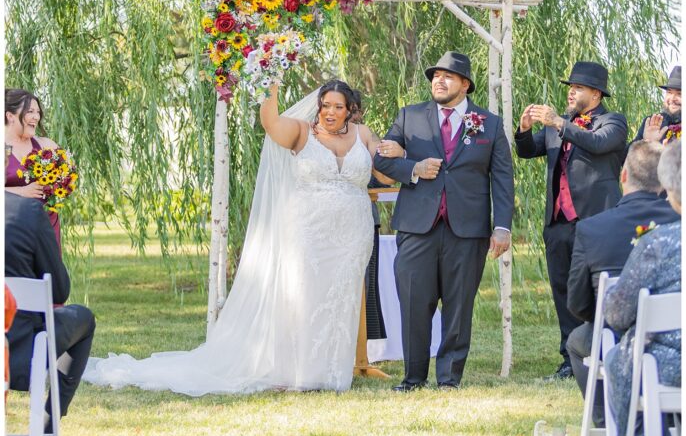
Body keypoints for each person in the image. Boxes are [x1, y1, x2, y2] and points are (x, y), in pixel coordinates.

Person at [84, 80, 394, 395]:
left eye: (337, 107)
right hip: (307, 231)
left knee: (339, 297)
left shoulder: (363, 134)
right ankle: (294, 372)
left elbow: (386, 170)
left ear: (349, 109)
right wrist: (269, 85)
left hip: (352, 235)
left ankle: (330, 372)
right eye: (325, 105)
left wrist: (399, 153)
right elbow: (270, 122)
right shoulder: (302, 132)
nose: (329, 112)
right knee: (303, 295)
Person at [374, 51, 514, 391]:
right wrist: (413, 169)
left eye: (448, 76)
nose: (439, 80)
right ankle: (413, 378)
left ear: (465, 84)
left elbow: (503, 178)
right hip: (416, 227)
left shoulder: (489, 124)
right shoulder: (409, 117)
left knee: (458, 305)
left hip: (467, 231)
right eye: (436, 75)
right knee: (413, 303)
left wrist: (502, 226)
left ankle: (449, 379)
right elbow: (383, 157)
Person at [514, 60, 627, 380]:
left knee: (597, 290)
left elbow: (598, 144)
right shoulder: (558, 124)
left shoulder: (613, 122)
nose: (571, 93)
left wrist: (560, 124)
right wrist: (524, 130)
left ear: (595, 93)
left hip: (595, 221)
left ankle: (607, 351)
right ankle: (569, 358)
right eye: (569, 88)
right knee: (563, 289)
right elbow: (527, 151)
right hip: (558, 222)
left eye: (577, 88)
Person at [566, 141, 680, 428]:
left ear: (624, 176)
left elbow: (579, 305)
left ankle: (608, 424)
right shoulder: (677, 223)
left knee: (577, 341)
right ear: (665, 182)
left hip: (615, 338)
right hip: (678, 340)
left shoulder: (592, 228)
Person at [603, 142, 681, 436]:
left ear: (671, 191)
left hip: (673, 366)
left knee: (619, 359)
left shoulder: (659, 243)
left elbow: (618, 314)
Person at [5, 190, 95, 435]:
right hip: (19, 355)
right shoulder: (27, 212)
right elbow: (58, 290)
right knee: (83, 318)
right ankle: (47, 430)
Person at [349, 89, 389, 380]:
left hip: (365, 220)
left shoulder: (366, 138)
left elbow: (384, 176)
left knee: (365, 286)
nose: (351, 115)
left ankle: (360, 356)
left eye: (354, 109)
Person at [5, 88, 65, 253]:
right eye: (30, 111)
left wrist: (61, 186)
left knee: (48, 275)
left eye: (37, 112)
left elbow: (68, 175)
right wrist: (22, 191)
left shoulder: (46, 145)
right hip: (12, 227)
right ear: (10, 116)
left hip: (46, 224)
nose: (36, 117)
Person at [630, 65, 681, 146]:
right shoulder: (652, 122)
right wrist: (647, 142)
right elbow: (627, 156)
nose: (672, 98)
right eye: (669, 92)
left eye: (679, 94)